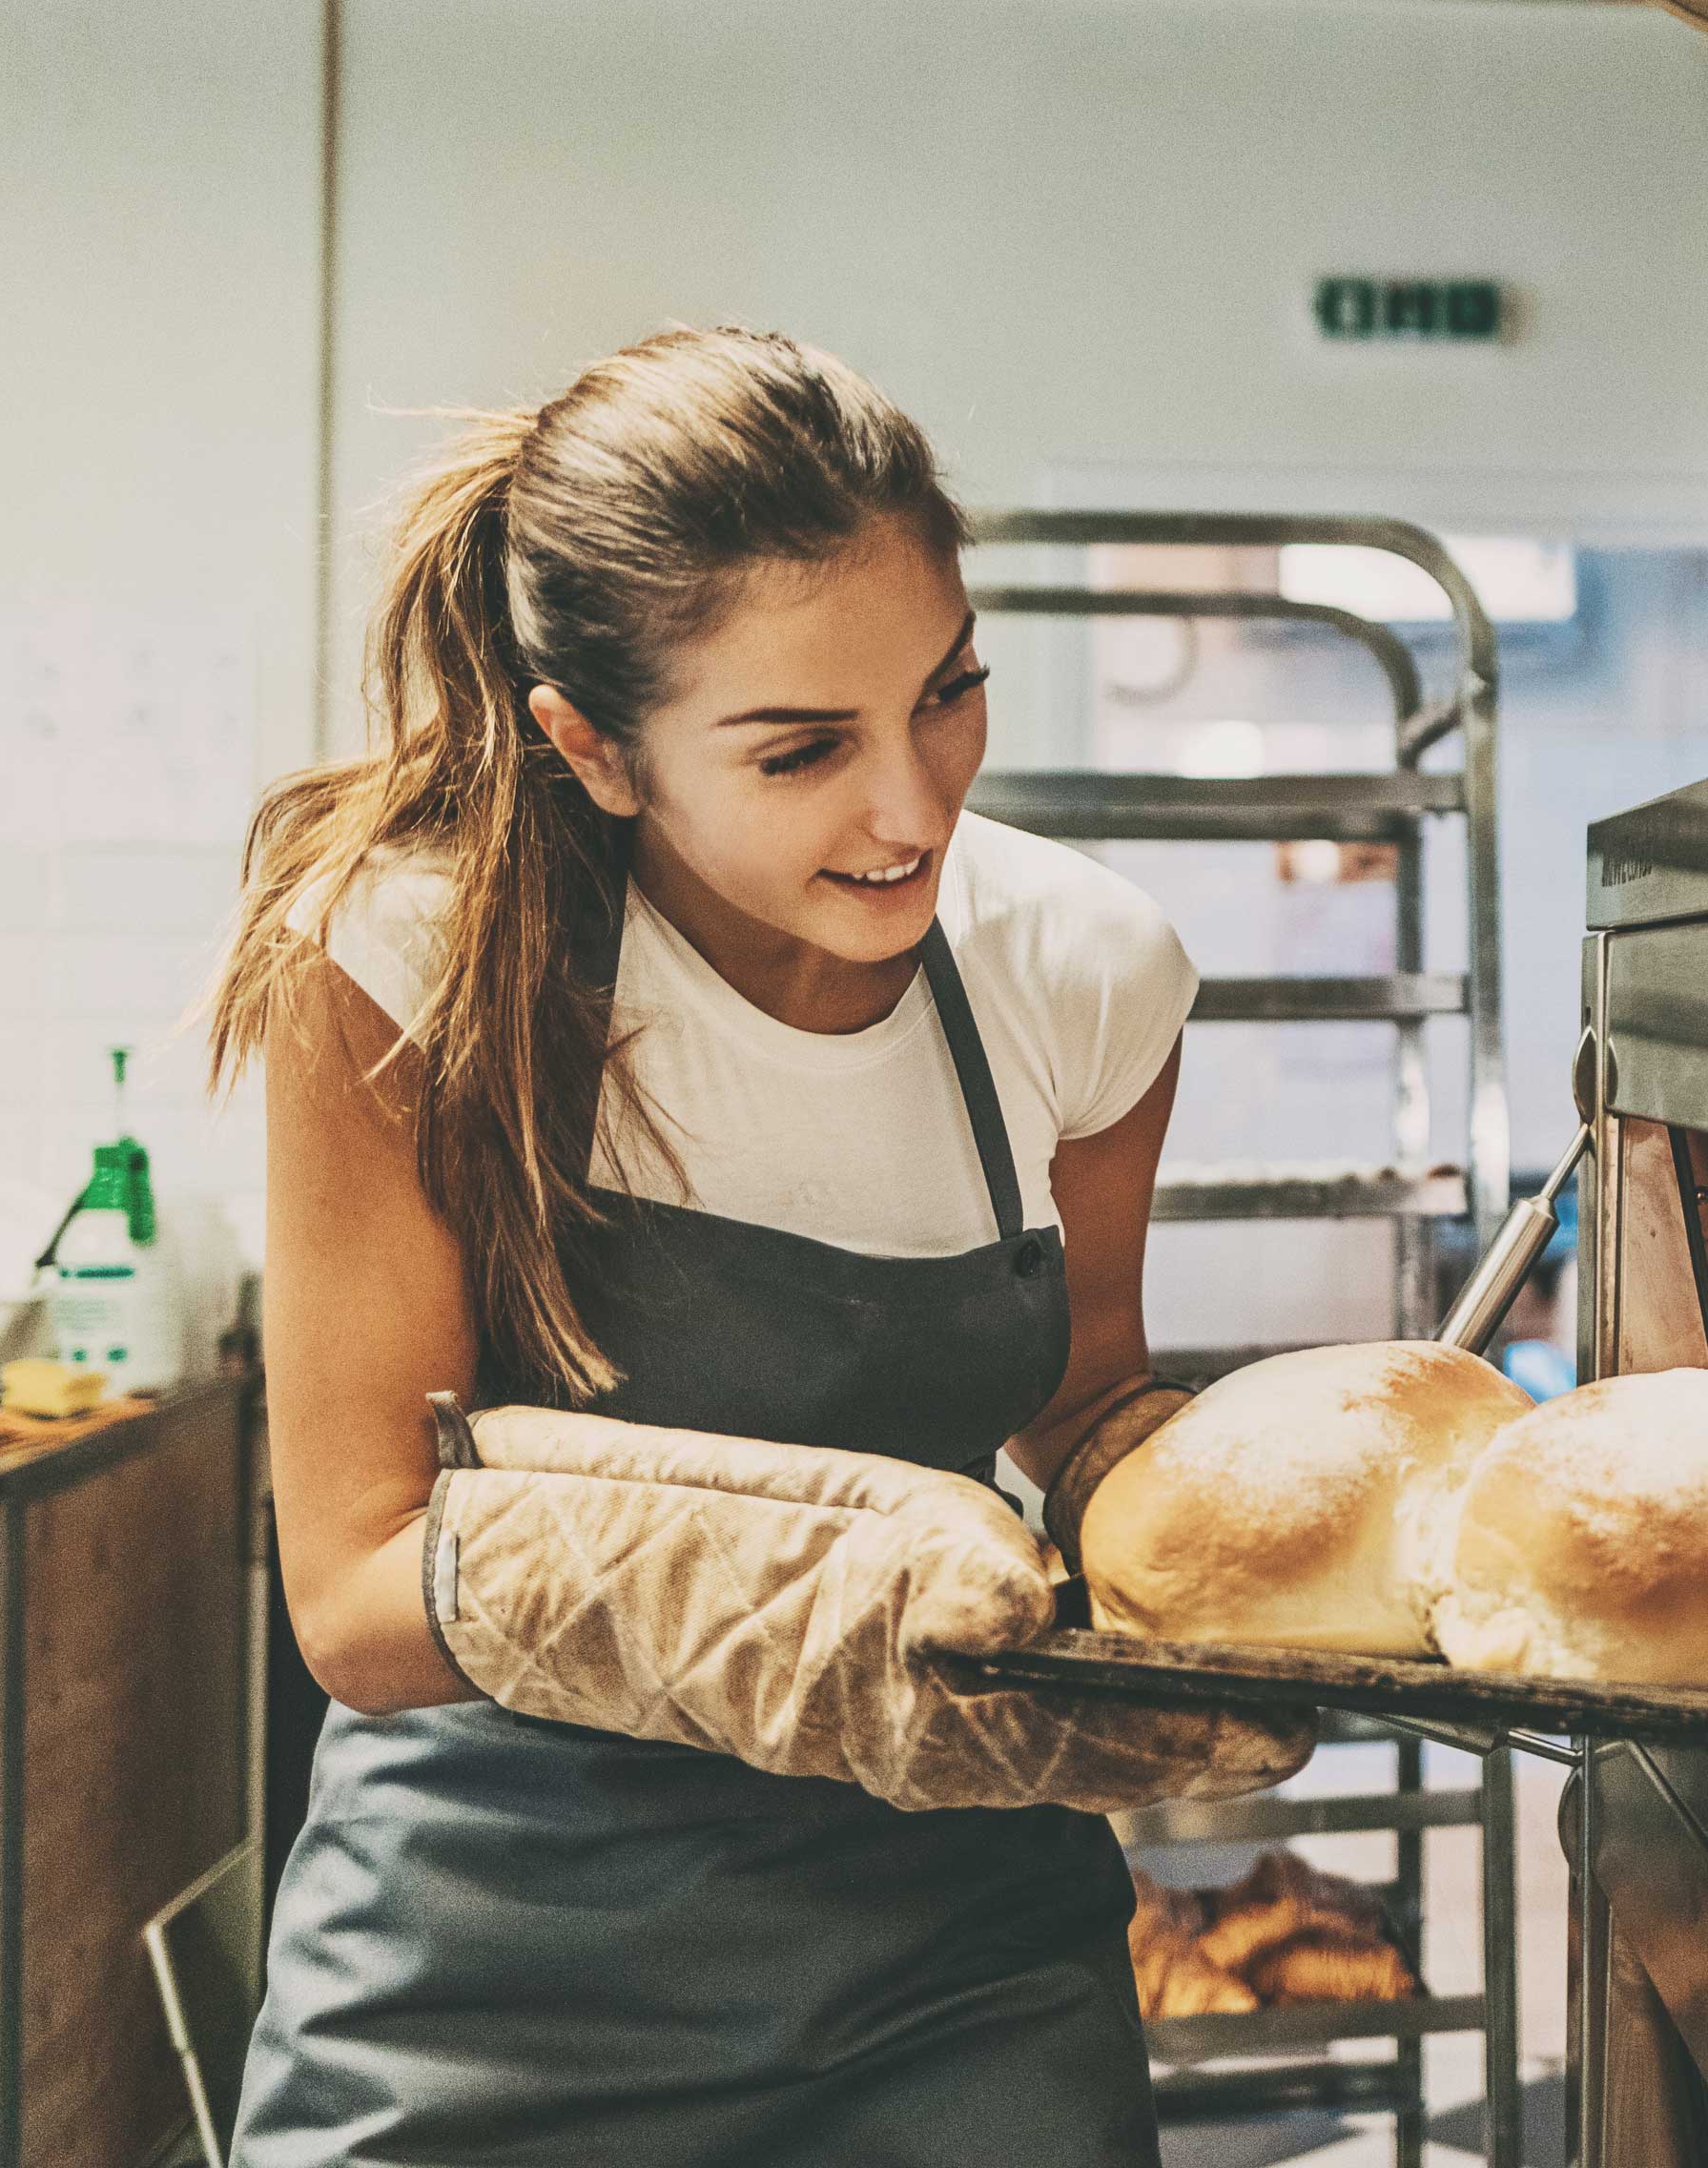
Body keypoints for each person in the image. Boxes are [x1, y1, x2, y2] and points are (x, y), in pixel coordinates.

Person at [207, 326, 1307, 2165]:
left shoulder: (1084, 970)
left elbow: (1085, 1400)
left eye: (946, 694)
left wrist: (1282, 1543)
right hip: (496, 1957)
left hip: (960, 1961)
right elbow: (357, 1597)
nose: (915, 805)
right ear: (597, 748)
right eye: (802, 749)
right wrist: (813, 1604)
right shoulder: (413, 969)